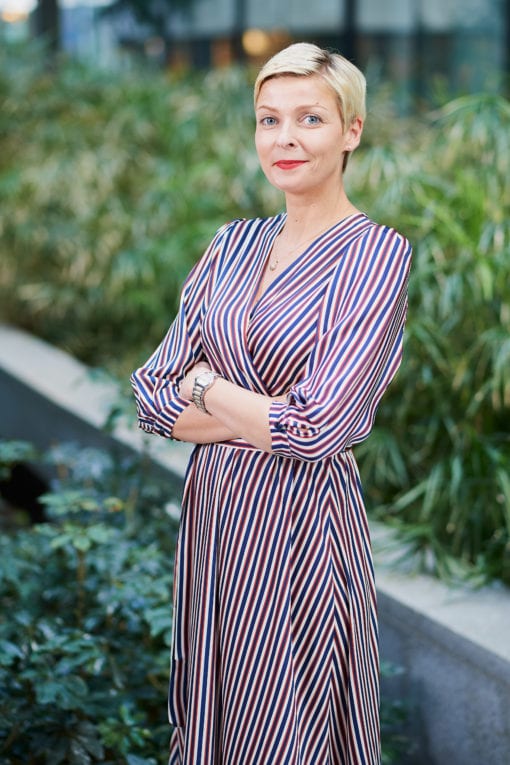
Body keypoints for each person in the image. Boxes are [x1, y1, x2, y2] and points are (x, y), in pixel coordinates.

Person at [131, 41, 412, 765]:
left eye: (310, 118)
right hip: (216, 522)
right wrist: (258, 414)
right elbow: (149, 394)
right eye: (268, 119)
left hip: (303, 531)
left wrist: (204, 384)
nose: (284, 138)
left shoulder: (376, 255)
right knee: (215, 718)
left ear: (351, 131)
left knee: (292, 726)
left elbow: (317, 428)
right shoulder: (232, 244)